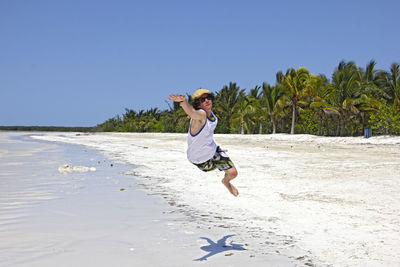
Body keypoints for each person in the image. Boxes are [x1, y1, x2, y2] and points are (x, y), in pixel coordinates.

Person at [169, 88, 239, 196]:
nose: (207, 101)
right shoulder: (200, 115)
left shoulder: (213, 116)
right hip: (200, 160)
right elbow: (192, 112)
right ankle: (217, 159)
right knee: (222, 167)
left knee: (233, 173)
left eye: (209, 98)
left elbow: (206, 135)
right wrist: (183, 102)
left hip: (212, 150)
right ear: (198, 103)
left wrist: (217, 150)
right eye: (203, 99)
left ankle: (226, 182)